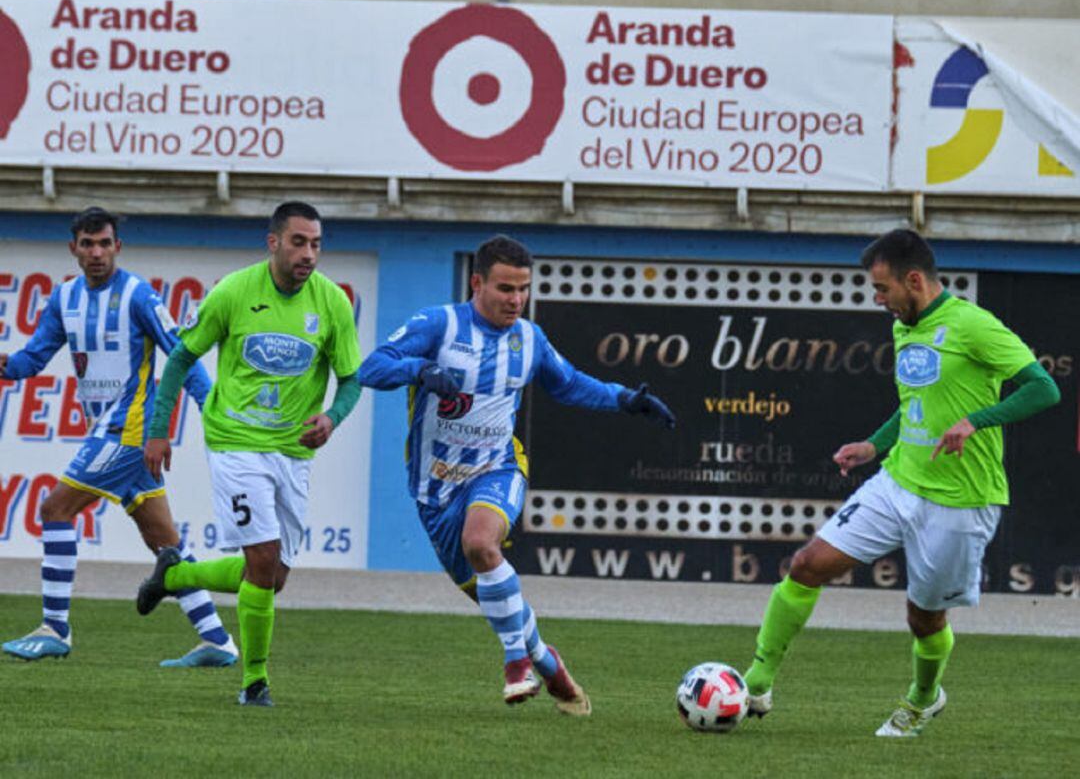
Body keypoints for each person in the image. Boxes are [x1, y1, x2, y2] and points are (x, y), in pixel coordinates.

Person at [742, 228, 1061, 737]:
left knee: (924, 620)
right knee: (807, 564)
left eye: (884, 289)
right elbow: (915, 405)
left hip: (960, 500)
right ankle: (756, 681)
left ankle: (923, 697)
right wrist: (874, 445)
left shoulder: (973, 325)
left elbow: (1044, 390)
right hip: (897, 483)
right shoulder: (904, 326)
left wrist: (976, 421)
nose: (879, 300)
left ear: (915, 280)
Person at [357, 234, 676, 715]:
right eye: (506, 288)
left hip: (498, 467)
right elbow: (372, 368)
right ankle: (547, 663)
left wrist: (625, 399)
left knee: (482, 543)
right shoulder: (438, 324)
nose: (516, 300)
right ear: (477, 282)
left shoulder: (530, 339)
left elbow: (568, 385)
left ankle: (515, 666)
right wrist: (420, 370)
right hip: (435, 492)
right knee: (494, 595)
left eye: (523, 289)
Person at [136, 200, 362, 708]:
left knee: (272, 577)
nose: (309, 253)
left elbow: (351, 381)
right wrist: (159, 430)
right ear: (274, 242)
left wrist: (332, 417)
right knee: (261, 559)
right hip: (236, 443)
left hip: (292, 452)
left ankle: (174, 574)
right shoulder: (233, 293)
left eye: (317, 244)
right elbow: (180, 360)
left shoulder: (332, 304)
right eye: (299, 242)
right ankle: (253, 681)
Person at [1, 206, 238, 667]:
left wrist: (214, 416)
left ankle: (55, 627)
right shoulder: (63, 299)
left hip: (129, 431)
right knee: (166, 543)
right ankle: (218, 641)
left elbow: (183, 355)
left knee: (54, 508)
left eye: (104, 243)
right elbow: (33, 359)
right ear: (73, 248)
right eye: (87, 244)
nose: (96, 253)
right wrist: (7, 364)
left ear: (117, 247)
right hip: (108, 431)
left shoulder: (138, 296)